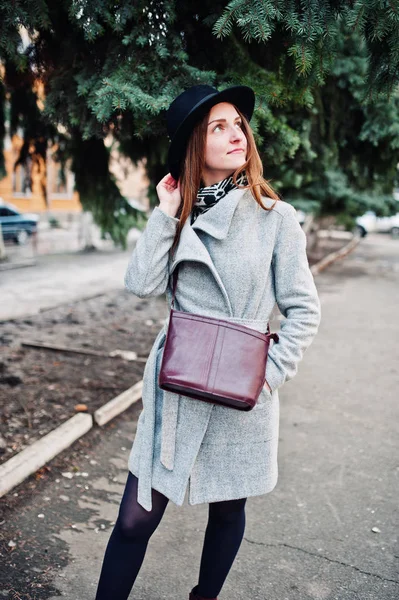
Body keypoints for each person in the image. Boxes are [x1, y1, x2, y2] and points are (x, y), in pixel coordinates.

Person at [95, 84, 321, 600]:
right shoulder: (181, 212)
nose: (235, 133)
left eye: (237, 123)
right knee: (133, 520)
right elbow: (141, 285)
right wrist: (165, 212)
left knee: (228, 509)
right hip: (177, 389)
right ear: (196, 144)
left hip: (241, 389)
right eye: (218, 127)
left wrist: (269, 375)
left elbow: (304, 309)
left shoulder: (274, 216)